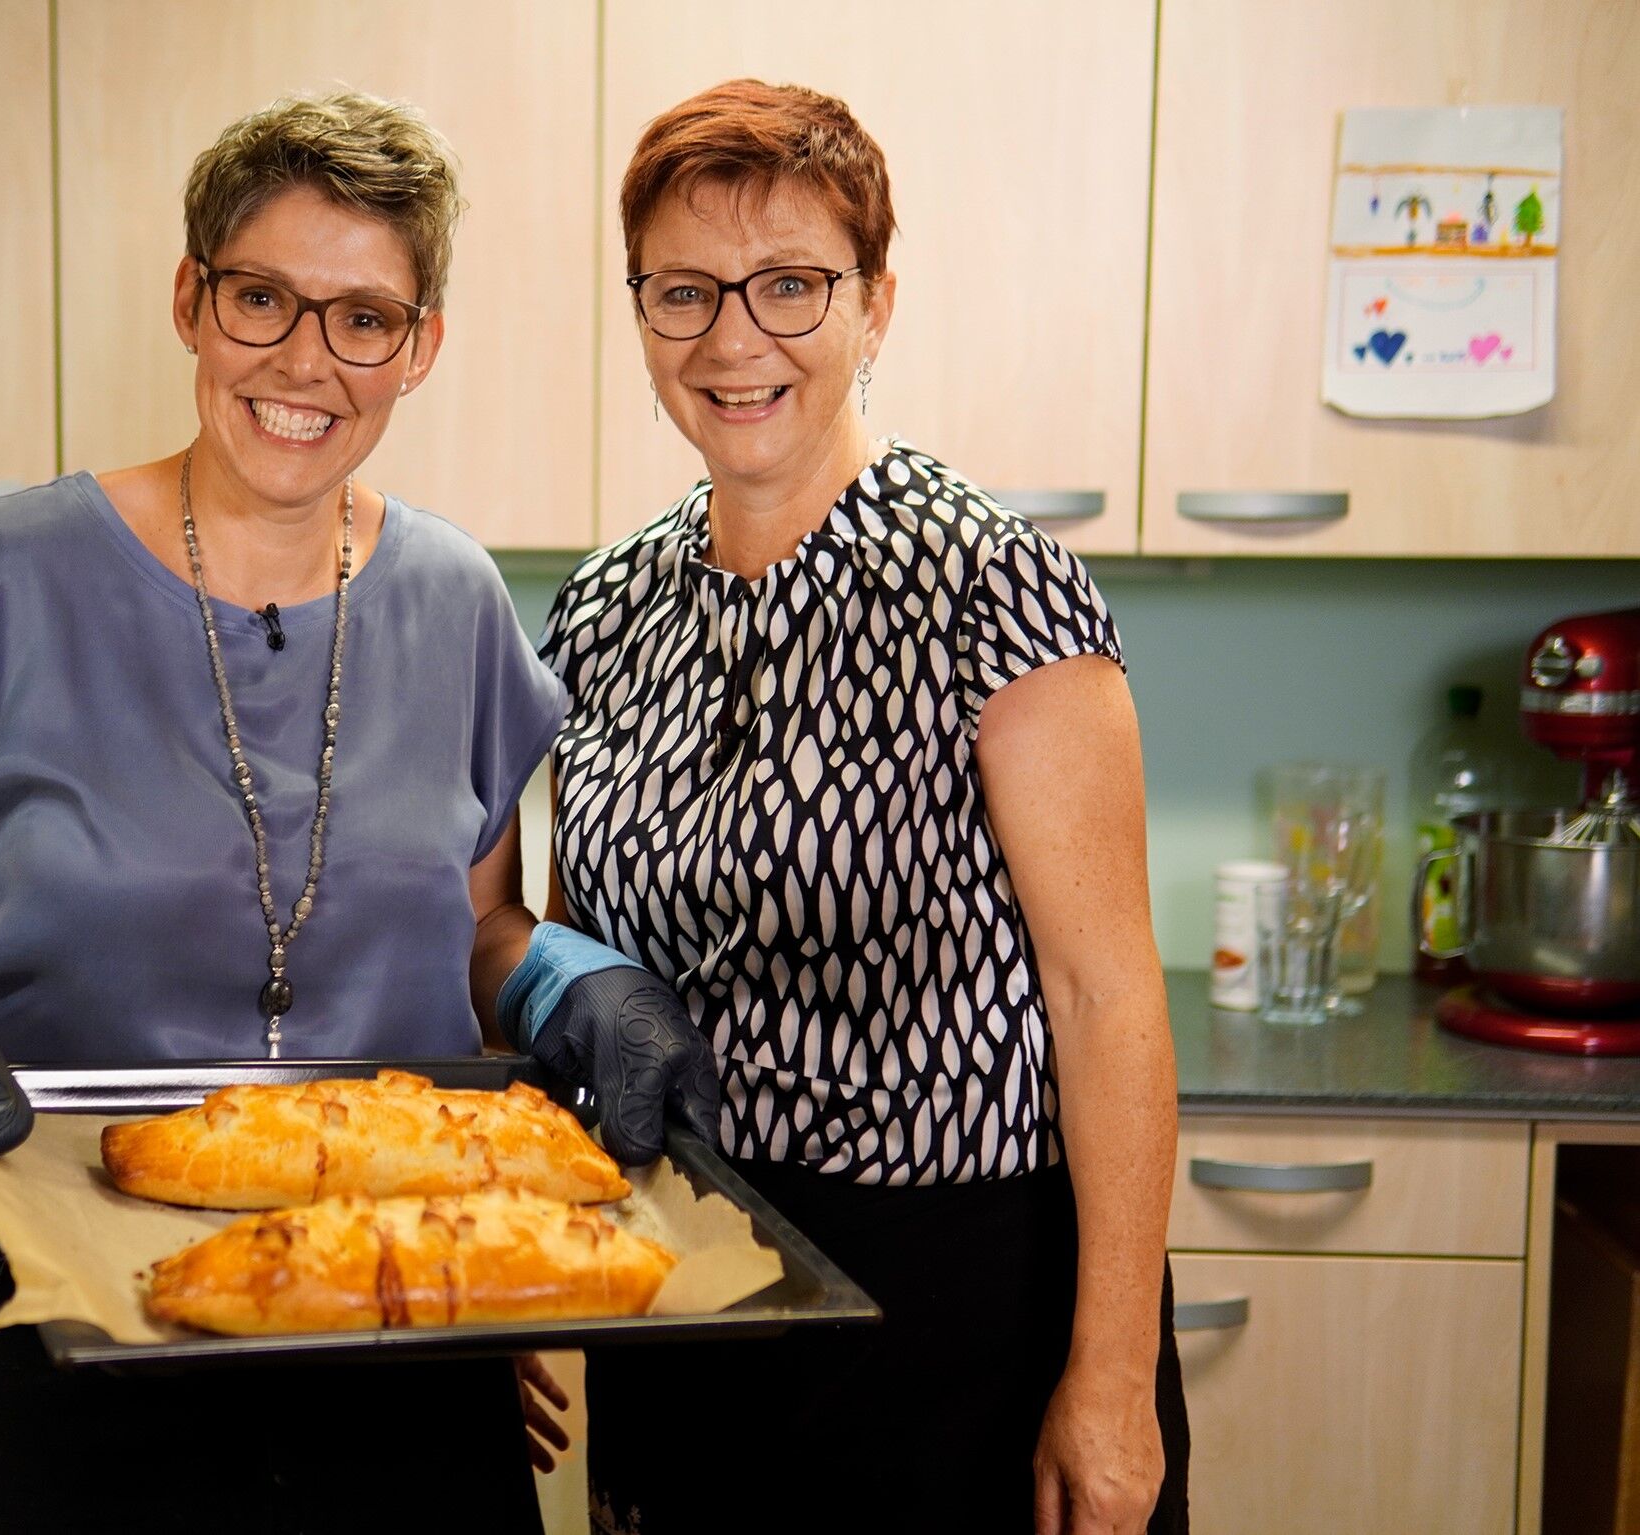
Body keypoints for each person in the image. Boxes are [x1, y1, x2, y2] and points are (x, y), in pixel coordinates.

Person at [0, 91, 664, 1534]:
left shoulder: (454, 601)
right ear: (192, 302)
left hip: (378, 1340)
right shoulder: (12, 573)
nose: (306, 361)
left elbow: (472, 928)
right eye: (262, 298)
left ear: (421, 348)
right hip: (49, 1313)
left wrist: (572, 984)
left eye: (365, 318)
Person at [496, 80, 1192, 1533]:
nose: (733, 337)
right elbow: (567, 960)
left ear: (877, 305)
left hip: (955, 1315)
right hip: (678, 1286)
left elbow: (1108, 993)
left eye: (792, 285)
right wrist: (533, 1262)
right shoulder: (606, 606)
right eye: (684, 292)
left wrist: (1112, 1382)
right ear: (641, 318)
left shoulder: (992, 585)